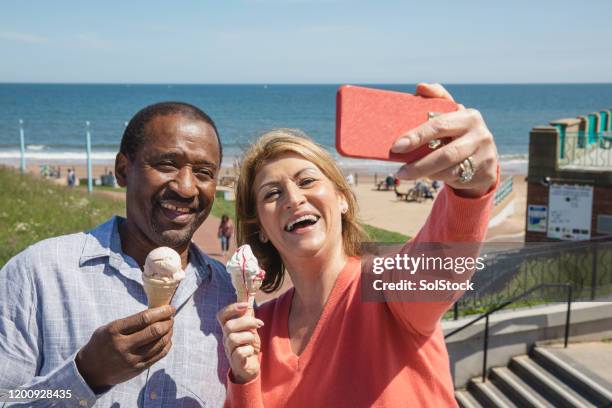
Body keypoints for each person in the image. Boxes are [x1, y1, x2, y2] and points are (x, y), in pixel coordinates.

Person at [217, 83, 499, 407]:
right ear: (261, 229)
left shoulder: (387, 285)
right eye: (272, 193)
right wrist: (245, 379)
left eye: (307, 181)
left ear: (341, 200)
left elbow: (444, 261)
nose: (293, 199)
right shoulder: (258, 332)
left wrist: (470, 188)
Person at [0, 102, 236, 407]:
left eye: (204, 172)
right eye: (167, 164)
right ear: (123, 170)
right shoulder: (39, 273)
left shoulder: (230, 297)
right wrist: (86, 374)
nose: (187, 187)